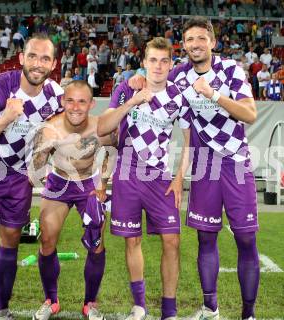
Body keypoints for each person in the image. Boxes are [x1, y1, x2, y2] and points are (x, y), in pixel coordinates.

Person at [128, 16, 259, 320]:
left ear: (213, 42)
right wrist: (136, 77)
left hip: (236, 162)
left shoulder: (230, 70)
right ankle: (210, 308)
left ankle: (248, 314)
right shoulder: (180, 75)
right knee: (205, 238)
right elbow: (154, 76)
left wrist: (212, 93)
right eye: (189, 40)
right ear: (184, 45)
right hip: (203, 165)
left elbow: (250, 114)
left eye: (202, 38)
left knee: (246, 238)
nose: (196, 45)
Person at [0, 34, 63, 320]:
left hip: (19, 177)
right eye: (32, 56)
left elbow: (63, 129)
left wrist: (40, 162)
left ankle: (1, 311)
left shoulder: (55, 95)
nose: (37, 63)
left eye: (45, 58)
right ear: (21, 58)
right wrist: (6, 118)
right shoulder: (1, 86)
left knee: (10, 241)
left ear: (53, 63)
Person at [98, 37, 191, 320]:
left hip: (161, 178)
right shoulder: (127, 88)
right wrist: (133, 100)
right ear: (144, 62)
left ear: (171, 64)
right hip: (127, 173)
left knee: (172, 241)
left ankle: (169, 311)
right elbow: (103, 128)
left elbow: (189, 142)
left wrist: (178, 179)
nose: (159, 66)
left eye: (164, 61)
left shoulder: (178, 96)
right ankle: (139, 306)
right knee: (132, 241)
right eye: (153, 60)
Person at [29, 80, 117, 320]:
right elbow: (34, 169)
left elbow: (113, 151)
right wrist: (41, 156)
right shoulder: (50, 129)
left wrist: (103, 183)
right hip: (58, 183)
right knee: (47, 240)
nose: (75, 107)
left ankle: (90, 303)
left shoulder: (101, 127)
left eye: (82, 101)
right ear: (62, 102)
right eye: (70, 100)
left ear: (91, 103)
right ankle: (51, 300)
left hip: (89, 184)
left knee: (96, 243)